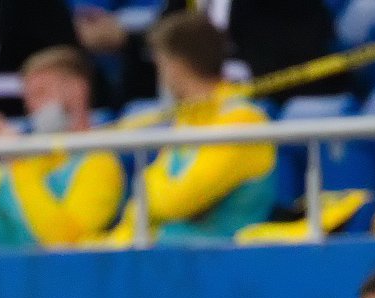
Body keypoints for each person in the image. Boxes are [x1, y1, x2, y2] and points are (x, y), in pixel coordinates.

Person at [96, 14, 275, 244]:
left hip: (226, 252)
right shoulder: (189, 119)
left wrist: (149, 195)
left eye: (160, 64)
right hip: (173, 245)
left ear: (176, 66)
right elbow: (144, 200)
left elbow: (177, 201)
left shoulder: (242, 121)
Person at [0, 46, 124, 249]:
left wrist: (18, 161)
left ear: (77, 89)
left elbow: (65, 243)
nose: (31, 107)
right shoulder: (11, 163)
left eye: (41, 93)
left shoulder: (100, 162)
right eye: (28, 97)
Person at [75, 0, 347, 108]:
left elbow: (302, 44)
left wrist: (222, 79)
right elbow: (167, 38)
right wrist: (124, 40)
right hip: (198, 102)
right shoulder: (186, 3)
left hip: (263, 96)